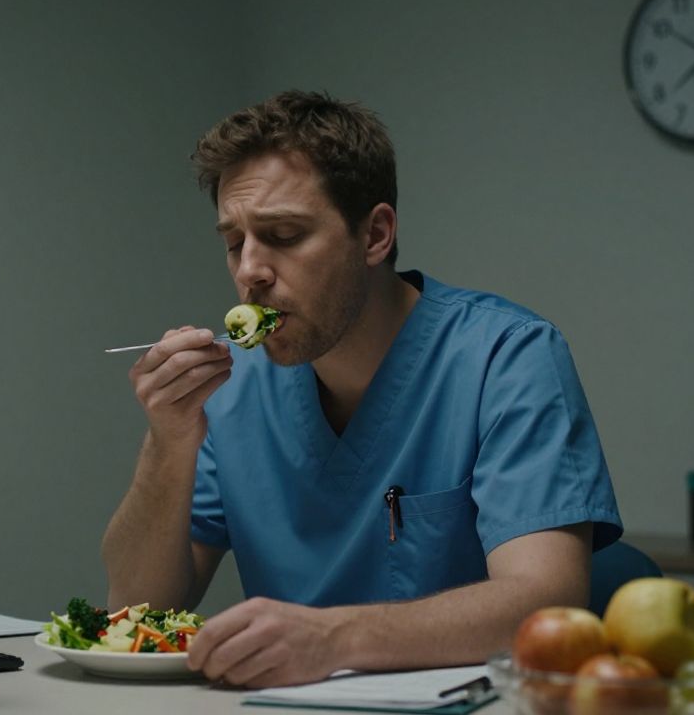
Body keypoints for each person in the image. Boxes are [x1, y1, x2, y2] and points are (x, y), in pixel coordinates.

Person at [101, 90, 622, 688]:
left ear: (375, 235)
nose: (249, 270)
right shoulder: (233, 382)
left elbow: (543, 604)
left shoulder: (506, 357)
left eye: (285, 235)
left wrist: (334, 639)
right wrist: (167, 442)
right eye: (233, 242)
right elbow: (133, 609)